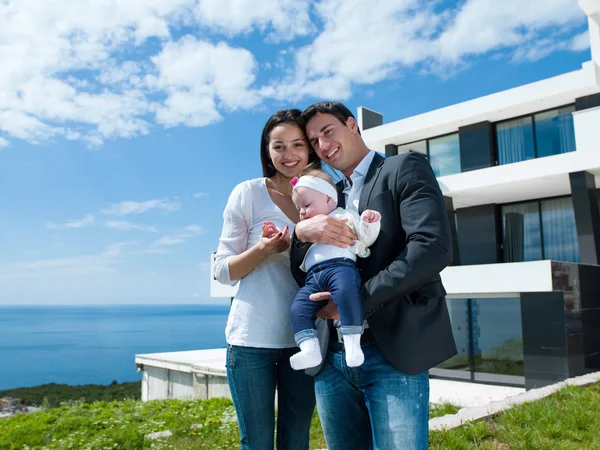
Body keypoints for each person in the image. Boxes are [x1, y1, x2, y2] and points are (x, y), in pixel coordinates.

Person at [289, 101, 458, 450]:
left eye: (327, 132)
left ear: (352, 125)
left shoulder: (403, 167)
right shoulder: (326, 196)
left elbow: (431, 247)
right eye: (313, 140)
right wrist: (302, 233)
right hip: (332, 358)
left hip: (392, 350)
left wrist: (354, 302)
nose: (322, 145)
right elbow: (302, 270)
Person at [213, 109, 319, 450]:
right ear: (267, 150)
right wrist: (263, 249)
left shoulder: (325, 198)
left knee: (296, 441)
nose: (289, 155)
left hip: (305, 341)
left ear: (310, 149)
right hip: (251, 342)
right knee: (257, 443)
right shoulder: (248, 193)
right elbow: (222, 271)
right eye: (279, 146)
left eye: (298, 145)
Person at [284, 168, 381, 371]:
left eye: (306, 205)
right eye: (298, 207)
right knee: (297, 308)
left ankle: (353, 344)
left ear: (329, 200)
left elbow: (366, 237)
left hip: (341, 269)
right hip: (313, 278)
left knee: (347, 294)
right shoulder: (305, 228)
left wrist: (370, 223)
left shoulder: (345, 215)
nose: (301, 211)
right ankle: (310, 349)